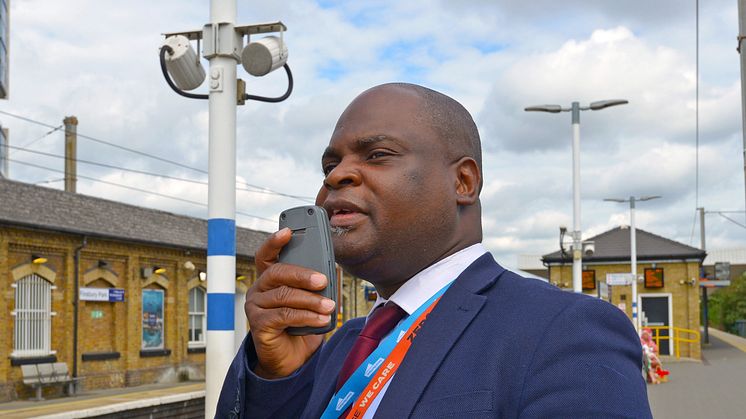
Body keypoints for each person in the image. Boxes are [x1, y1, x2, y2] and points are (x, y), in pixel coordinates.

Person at [216, 83, 652, 418]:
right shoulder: (330, 346)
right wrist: (276, 378)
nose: (337, 175)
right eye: (330, 165)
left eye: (378, 154)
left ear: (463, 182)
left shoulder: (565, 331)